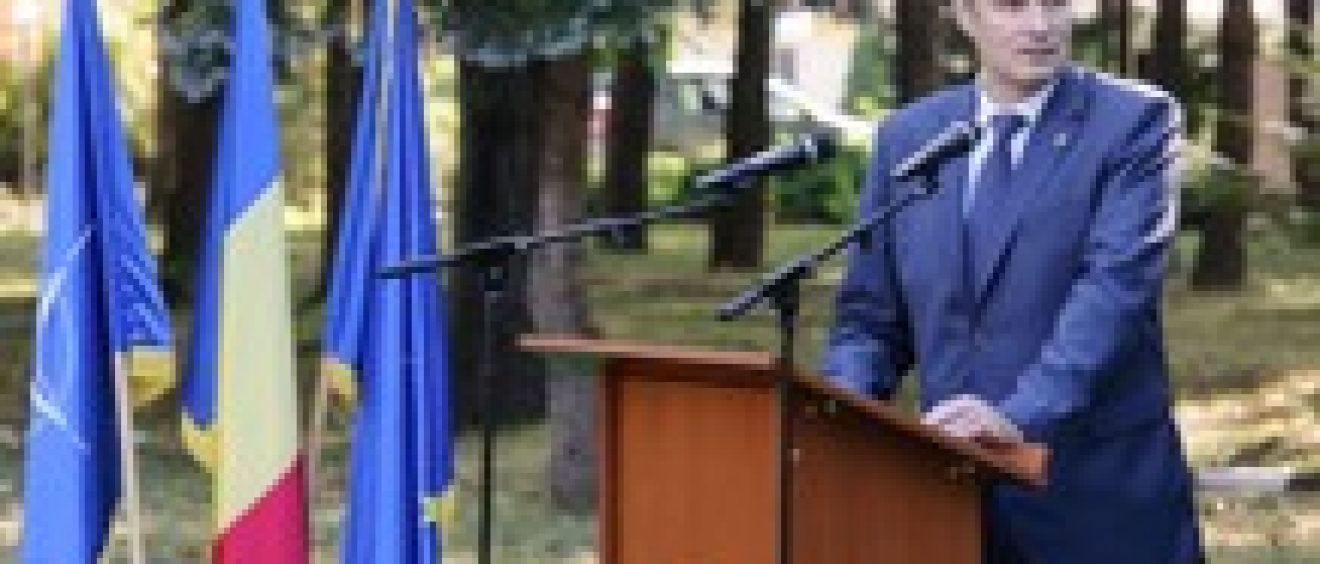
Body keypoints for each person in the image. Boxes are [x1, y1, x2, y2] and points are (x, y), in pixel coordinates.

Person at [819, 0, 1203, 562]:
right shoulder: (909, 136)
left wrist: (1017, 419)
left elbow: (1113, 294)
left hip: (1096, 502)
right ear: (964, 15)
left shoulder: (1134, 122)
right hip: (950, 501)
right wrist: (836, 416)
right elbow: (869, 320)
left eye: (1055, 3)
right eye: (1012, 4)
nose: (1039, 25)